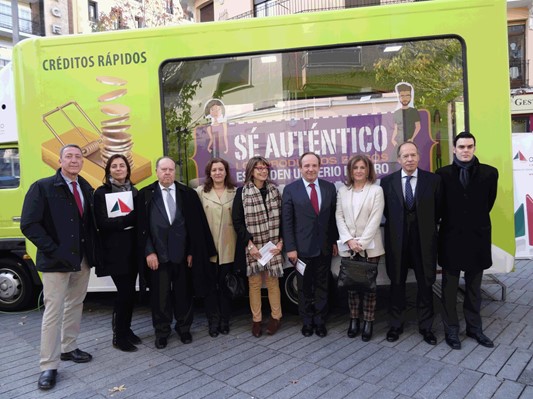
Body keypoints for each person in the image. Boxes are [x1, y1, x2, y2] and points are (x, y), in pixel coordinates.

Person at [21, 144, 99, 390]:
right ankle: (48, 366)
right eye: (69, 156)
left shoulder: (86, 187)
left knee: (75, 304)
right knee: (53, 312)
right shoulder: (43, 187)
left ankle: (68, 347)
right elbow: (30, 224)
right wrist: (54, 249)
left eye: (78, 156)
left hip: (81, 260)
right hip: (56, 262)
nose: (74, 160)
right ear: (60, 160)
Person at [137, 156, 216, 349]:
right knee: (160, 297)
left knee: (184, 294)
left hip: (182, 255)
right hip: (158, 256)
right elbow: (141, 228)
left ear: (175, 172)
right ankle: (162, 331)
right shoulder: (145, 195)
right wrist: (149, 252)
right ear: (157, 171)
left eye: (171, 170)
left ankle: (184, 328)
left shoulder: (187, 194)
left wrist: (192, 252)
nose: (167, 173)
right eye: (163, 169)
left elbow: (195, 228)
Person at [436, 131, 498, 350]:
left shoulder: (490, 174)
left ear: (474, 148)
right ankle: (451, 330)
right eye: (461, 147)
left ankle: (474, 328)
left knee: (473, 289)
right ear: (454, 149)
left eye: (469, 146)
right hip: (451, 239)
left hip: (477, 239)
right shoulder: (441, 174)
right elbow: (439, 207)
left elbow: (487, 204)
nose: (465, 150)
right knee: (449, 290)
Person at [380, 142, 441, 345]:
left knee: (425, 284)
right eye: (405, 156)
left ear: (418, 156)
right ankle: (396, 325)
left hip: (424, 242)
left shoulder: (433, 180)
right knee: (396, 283)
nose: (409, 159)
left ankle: (426, 327)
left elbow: (438, 210)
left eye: (413, 155)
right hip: (397, 242)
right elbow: (386, 211)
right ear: (399, 159)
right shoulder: (387, 183)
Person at [282, 152, 338, 338]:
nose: (310, 169)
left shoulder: (329, 188)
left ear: (319, 167)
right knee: (304, 288)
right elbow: (287, 222)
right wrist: (290, 248)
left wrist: (334, 241)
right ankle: (307, 322)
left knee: (323, 285)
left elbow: (332, 219)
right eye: (306, 166)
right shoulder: (291, 190)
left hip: (324, 248)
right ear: (300, 168)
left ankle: (320, 321)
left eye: (314, 165)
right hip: (301, 250)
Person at [232, 156, 284, 337]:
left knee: (272, 281)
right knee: (254, 284)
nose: (262, 171)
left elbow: (284, 218)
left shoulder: (274, 191)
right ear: (251, 172)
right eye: (258, 168)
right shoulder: (242, 193)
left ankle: (276, 317)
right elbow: (237, 221)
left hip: (272, 244)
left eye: (265, 168)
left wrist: (281, 242)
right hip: (253, 246)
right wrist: (249, 245)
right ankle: (256, 320)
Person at [94, 154, 141, 352]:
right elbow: (102, 223)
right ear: (108, 170)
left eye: (122, 165)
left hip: (133, 249)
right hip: (114, 252)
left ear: (128, 170)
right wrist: (127, 221)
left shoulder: (135, 191)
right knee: (124, 293)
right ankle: (118, 336)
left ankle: (126, 329)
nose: (119, 169)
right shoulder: (100, 193)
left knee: (131, 293)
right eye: (115, 166)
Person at [336, 155, 385, 341]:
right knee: (352, 287)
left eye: (362, 167)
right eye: (355, 167)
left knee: (369, 287)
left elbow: (375, 219)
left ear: (368, 169)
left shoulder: (376, 190)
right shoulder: (342, 191)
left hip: (370, 247)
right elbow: (339, 216)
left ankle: (368, 322)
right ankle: (354, 320)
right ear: (350, 170)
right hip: (349, 247)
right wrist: (349, 241)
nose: (358, 171)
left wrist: (361, 243)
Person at [197, 157, 237, 337]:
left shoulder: (235, 192)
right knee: (210, 288)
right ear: (209, 173)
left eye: (221, 169)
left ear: (226, 172)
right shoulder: (200, 192)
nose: (218, 173)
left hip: (229, 248)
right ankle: (213, 322)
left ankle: (224, 321)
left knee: (226, 286)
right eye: (214, 170)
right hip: (208, 249)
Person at [391, 82, 421, 147]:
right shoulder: (396, 113)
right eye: (402, 96)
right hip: (399, 143)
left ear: (411, 97)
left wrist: (412, 138)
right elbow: (396, 128)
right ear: (399, 97)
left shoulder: (413, 111)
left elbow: (418, 127)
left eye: (407, 95)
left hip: (410, 142)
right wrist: (393, 139)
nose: (405, 98)